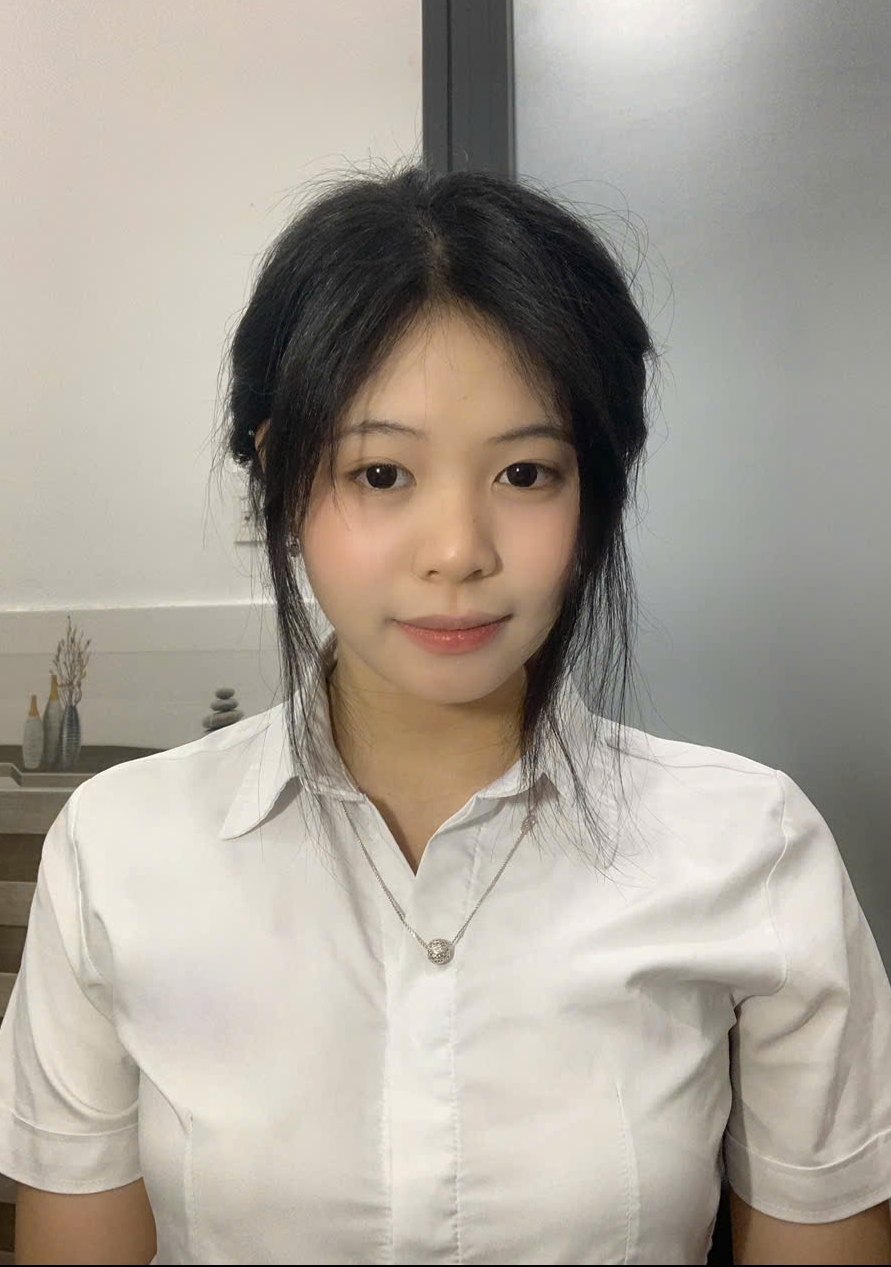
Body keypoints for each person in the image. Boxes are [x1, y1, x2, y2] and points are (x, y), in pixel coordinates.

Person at [1, 159, 890, 1266]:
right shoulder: (119, 854)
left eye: (526, 473)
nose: (459, 551)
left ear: (594, 492)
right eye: (381, 474)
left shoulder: (752, 850)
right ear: (279, 480)